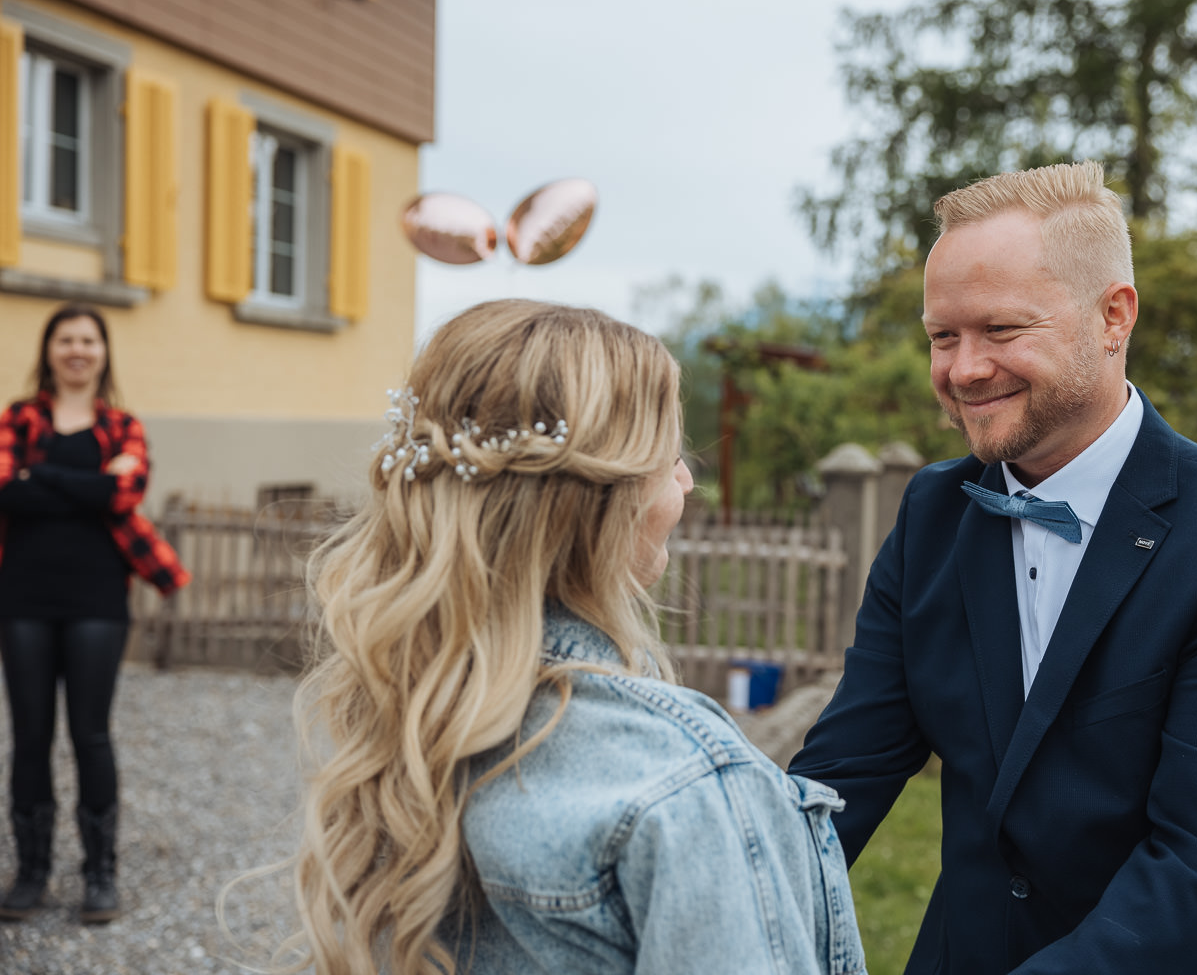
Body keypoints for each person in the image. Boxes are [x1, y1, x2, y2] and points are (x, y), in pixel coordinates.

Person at [790, 162, 1197, 974]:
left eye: (1003, 331)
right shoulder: (933, 515)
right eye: (943, 336)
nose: (964, 369)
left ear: (1113, 316)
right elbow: (844, 776)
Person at [282, 300, 865, 975]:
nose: (687, 480)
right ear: (604, 502)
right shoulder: (683, 781)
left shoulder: (415, 716)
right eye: (669, 455)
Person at [0, 303, 190, 924]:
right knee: (30, 737)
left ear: (104, 351)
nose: (77, 349)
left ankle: (99, 876)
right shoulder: (18, 416)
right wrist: (84, 485)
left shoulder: (122, 425)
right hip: (23, 597)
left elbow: (125, 494)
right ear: (49, 349)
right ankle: (30, 875)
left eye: (88, 339)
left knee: (92, 735)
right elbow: (6, 491)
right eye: (66, 339)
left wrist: (41, 477)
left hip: (97, 601)